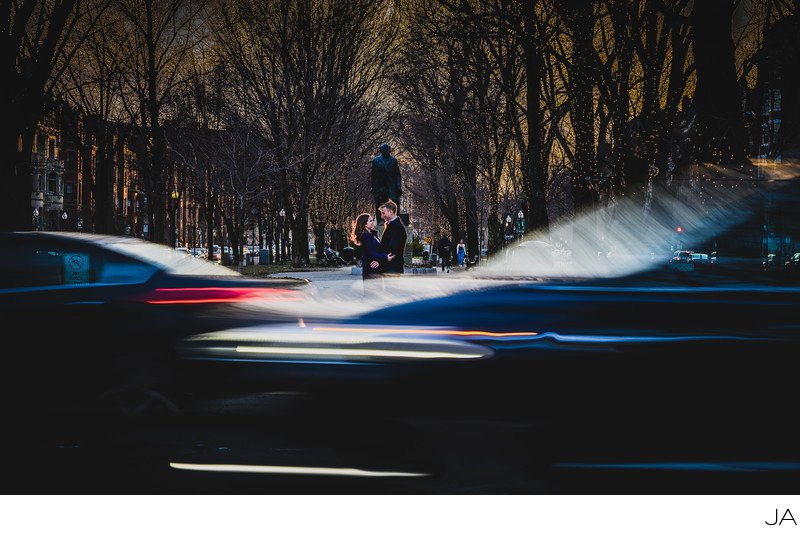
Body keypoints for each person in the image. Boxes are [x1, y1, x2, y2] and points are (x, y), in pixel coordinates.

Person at [350, 213, 393, 284]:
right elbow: (371, 253)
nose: (372, 222)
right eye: (370, 221)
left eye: (372, 220)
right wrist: (385, 257)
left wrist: (379, 261)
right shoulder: (365, 236)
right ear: (365, 224)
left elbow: (380, 249)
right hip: (371, 269)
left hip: (375, 268)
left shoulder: (372, 235)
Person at [370, 143, 402, 215]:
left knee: (395, 201)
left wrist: (398, 186)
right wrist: (373, 187)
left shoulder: (393, 160)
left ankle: (395, 218)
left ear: (389, 150)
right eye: (383, 150)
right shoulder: (376, 160)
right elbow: (373, 175)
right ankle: (380, 220)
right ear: (381, 151)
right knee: (379, 203)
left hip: (392, 185)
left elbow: (398, 174)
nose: (385, 151)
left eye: (387, 150)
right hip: (380, 186)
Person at [378, 199, 406, 275]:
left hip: (392, 266)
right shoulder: (394, 225)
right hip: (391, 266)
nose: (381, 216)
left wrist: (380, 258)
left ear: (391, 212)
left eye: (383, 213)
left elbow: (392, 248)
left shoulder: (396, 227)